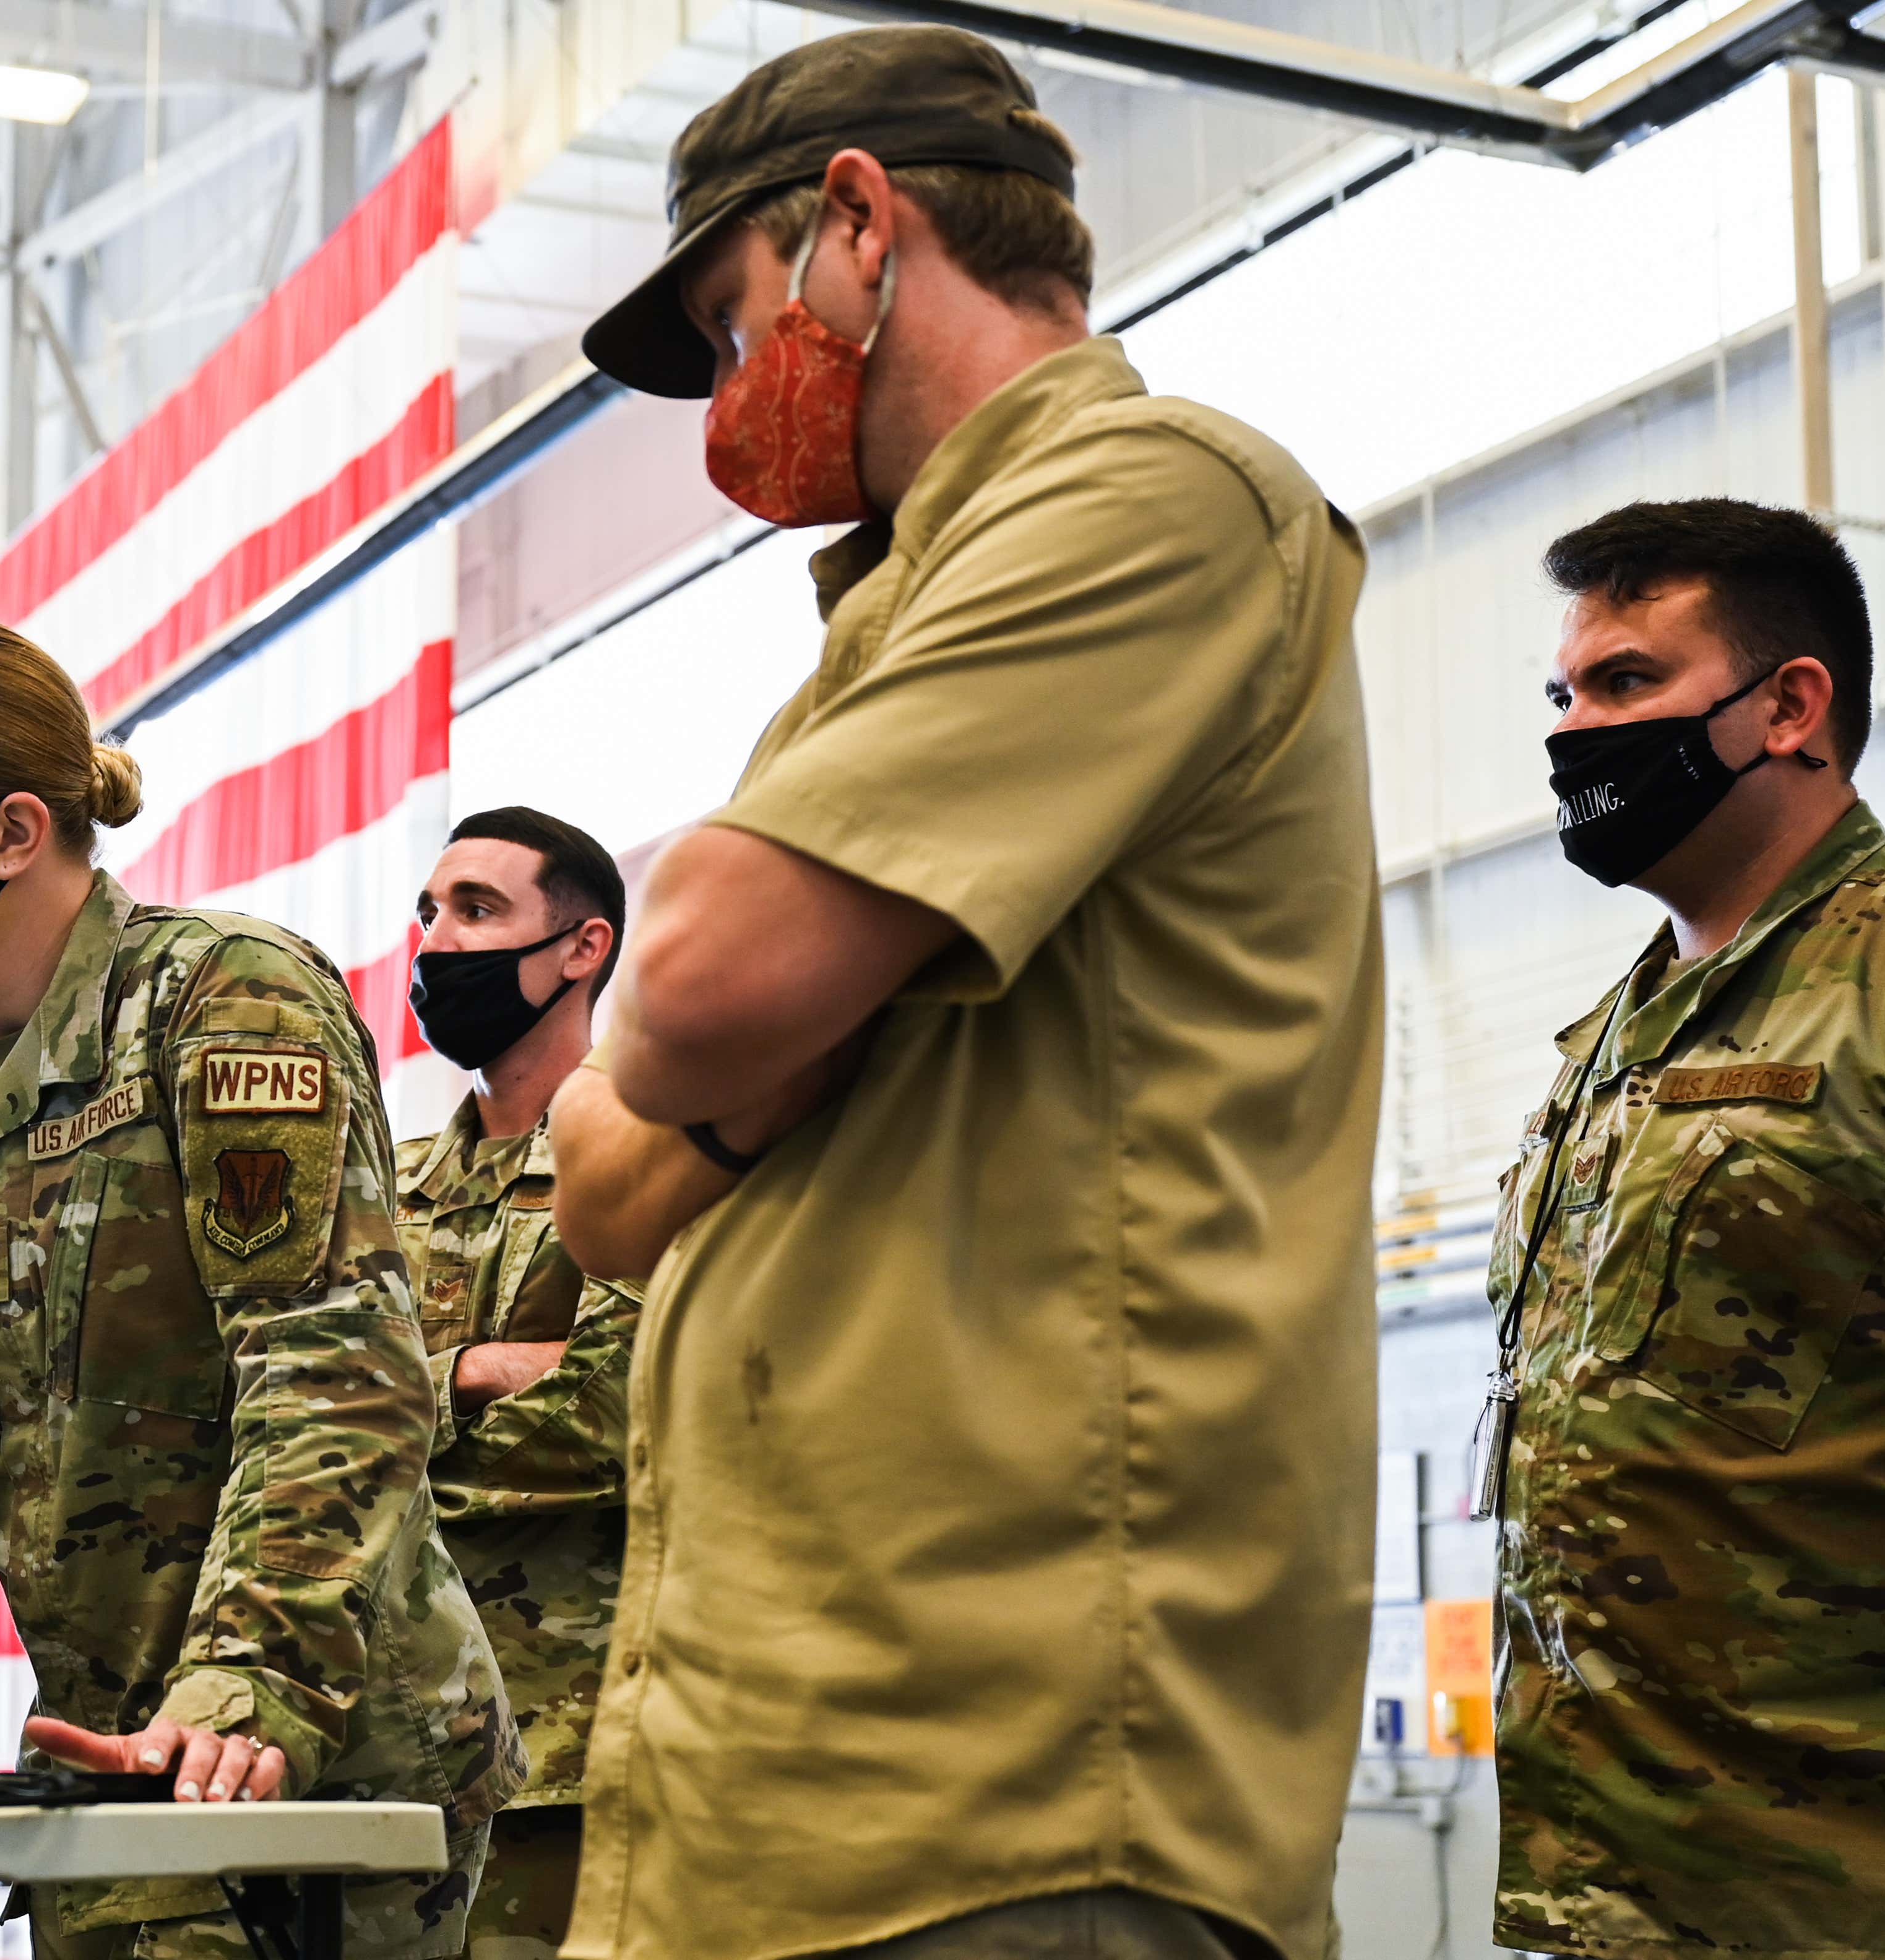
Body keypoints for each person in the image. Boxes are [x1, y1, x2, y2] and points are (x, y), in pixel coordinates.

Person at [545, 26, 1382, 1960]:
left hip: (1012, 1797)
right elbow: (596, 1195)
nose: (729, 398)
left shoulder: (1145, 497)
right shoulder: (899, 611)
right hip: (793, 1789)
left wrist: (736, 1039)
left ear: (855, 224)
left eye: (732, 323)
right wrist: (773, 1040)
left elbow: (683, 991)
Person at [0, 619, 519, 1960]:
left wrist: (253, 1681)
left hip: (312, 1746)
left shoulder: (219, 1000)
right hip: (102, 1752)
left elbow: (332, 1367)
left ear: (10, 831)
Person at [1485, 499, 1885, 1960]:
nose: (1571, 735)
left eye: (1624, 686)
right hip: (1613, 1893)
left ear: (1790, 707)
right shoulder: (1606, 1046)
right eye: (1563, 694)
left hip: (1847, 1893)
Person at [396, 808, 640, 1960]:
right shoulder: (380, 1188)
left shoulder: (653, 1154)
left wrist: (393, 1409)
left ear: (582, 948)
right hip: (382, 1753)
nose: (438, 941)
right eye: (429, 913)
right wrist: (478, 1373)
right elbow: (272, 1421)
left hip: (568, 1758)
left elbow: (616, 1423)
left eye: (478, 911)